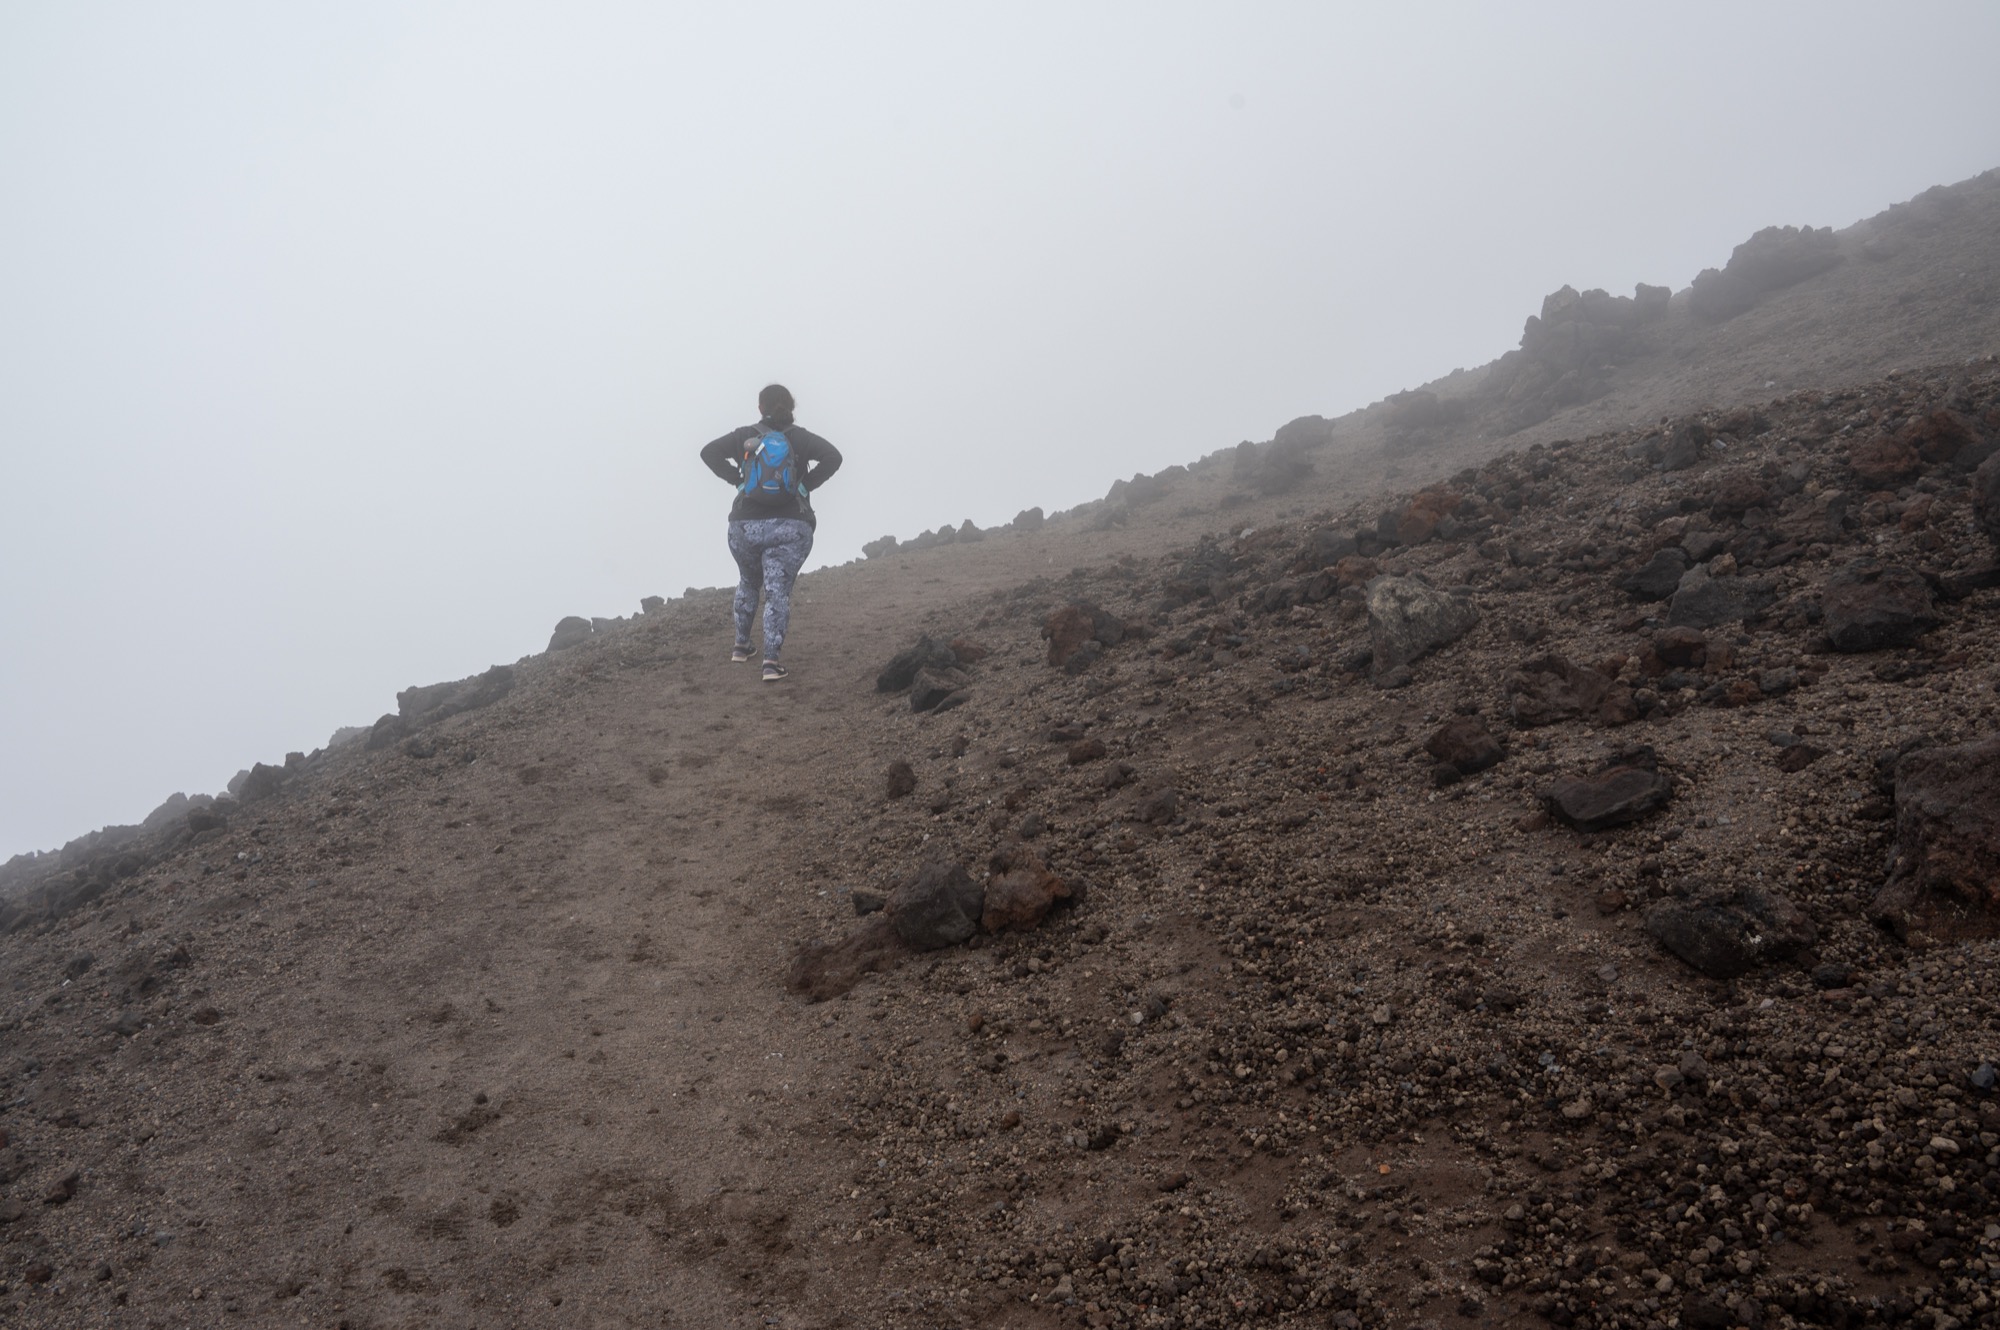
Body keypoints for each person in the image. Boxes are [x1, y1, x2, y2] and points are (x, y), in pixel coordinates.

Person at [698, 384, 842, 681]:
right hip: (790, 526)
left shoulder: (744, 436)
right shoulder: (801, 438)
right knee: (777, 592)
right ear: (791, 407)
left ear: (760, 407)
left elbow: (708, 451)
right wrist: (805, 486)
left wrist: (738, 481)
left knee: (748, 581)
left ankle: (741, 646)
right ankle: (771, 663)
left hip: (743, 527)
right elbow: (833, 456)